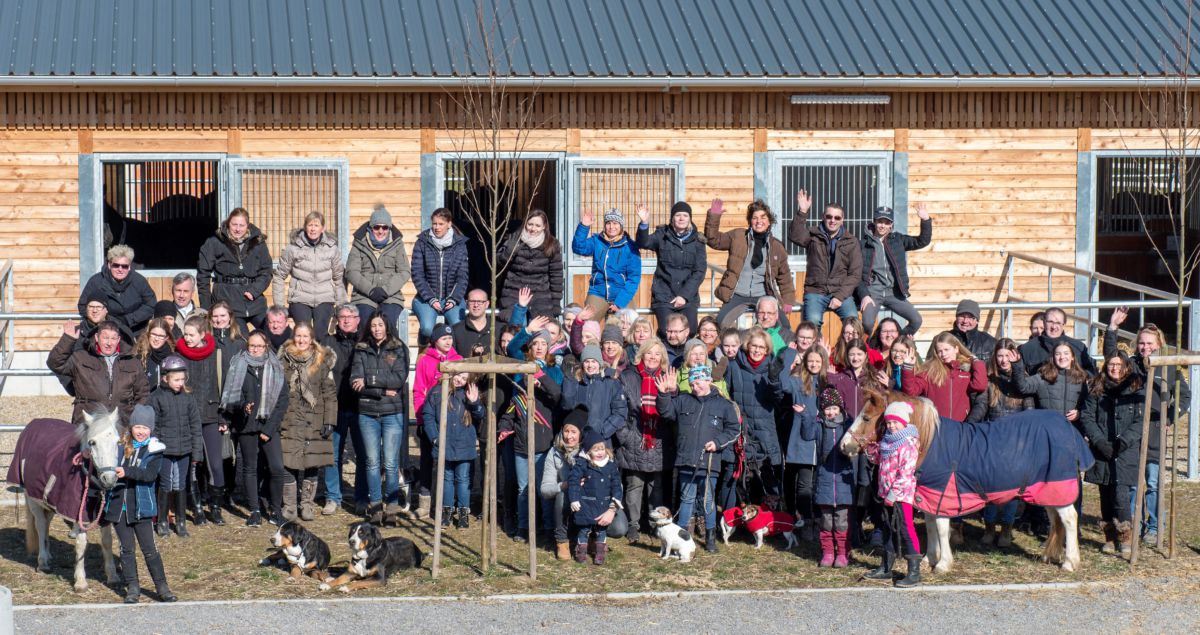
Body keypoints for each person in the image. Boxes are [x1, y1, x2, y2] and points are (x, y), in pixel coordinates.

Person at [1105, 307, 1188, 542]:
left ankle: (1153, 527)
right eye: (1141, 343)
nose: (1145, 347)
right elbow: (1111, 357)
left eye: (1150, 343)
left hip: (1155, 433)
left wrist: (1170, 417)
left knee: (1153, 482)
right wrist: (1112, 328)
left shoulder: (1169, 367)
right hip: (1131, 434)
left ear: (1159, 343)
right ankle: (1133, 525)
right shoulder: (1129, 365)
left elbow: (1185, 396)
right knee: (1131, 483)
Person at [655, 365, 741, 553]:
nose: (695, 387)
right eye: (692, 383)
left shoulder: (723, 404)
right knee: (686, 499)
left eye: (699, 382)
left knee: (708, 500)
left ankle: (710, 537)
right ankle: (682, 536)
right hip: (686, 459)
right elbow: (666, 412)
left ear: (709, 380)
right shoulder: (683, 400)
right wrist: (663, 395)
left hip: (710, 461)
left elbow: (734, 430)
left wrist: (717, 443)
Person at [106, 405, 176, 603]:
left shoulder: (154, 451)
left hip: (142, 508)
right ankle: (133, 589)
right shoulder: (119, 446)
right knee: (126, 550)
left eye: (145, 428)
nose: (141, 431)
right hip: (120, 508)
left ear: (151, 429)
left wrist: (126, 472)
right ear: (131, 427)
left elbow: (149, 475)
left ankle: (162, 588)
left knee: (149, 549)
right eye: (137, 427)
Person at [968, 338, 1033, 547]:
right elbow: (981, 407)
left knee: (1012, 490)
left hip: (1015, 444)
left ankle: (1006, 528)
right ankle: (989, 526)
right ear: (995, 358)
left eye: (1008, 356)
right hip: (993, 441)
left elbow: (1029, 412)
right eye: (1000, 356)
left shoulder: (1024, 381)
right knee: (989, 487)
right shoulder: (990, 382)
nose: (1004, 360)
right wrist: (968, 426)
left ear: (1014, 357)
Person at [221, 330, 289, 527]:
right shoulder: (238, 365)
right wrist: (243, 406)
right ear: (247, 346)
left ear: (266, 346)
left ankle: (275, 510)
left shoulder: (276, 366)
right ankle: (255, 511)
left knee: (276, 468)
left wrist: (269, 429)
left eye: (259, 346)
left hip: (269, 426)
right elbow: (232, 398)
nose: (256, 349)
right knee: (250, 468)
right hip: (246, 425)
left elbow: (282, 400)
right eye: (252, 346)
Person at [350, 310, 412, 525]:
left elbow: (398, 379)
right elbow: (355, 382)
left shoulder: (398, 348)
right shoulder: (361, 349)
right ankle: (376, 506)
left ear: (386, 326)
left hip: (392, 414)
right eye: (373, 325)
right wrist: (382, 390)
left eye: (380, 325)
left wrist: (370, 381)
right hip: (367, 413)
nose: (377, 329)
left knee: (391, 462)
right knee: (372, 462)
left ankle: (392, 508)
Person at [1080, 352, 1144, 557]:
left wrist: (1123, 442)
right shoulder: (1096, 388)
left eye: (1119, 365)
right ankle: (1109, 536)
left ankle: (1125, 536)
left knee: (1121, 495)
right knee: (1105, 494)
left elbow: (1139, 421)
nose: (1114, 368)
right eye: (1111, 364)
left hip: (1125, 451)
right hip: (1101, 450)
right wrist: (1099, 441)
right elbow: (1088, 416)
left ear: (1126, 367)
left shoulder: (1136, 389)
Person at [277, 322, 337, 522]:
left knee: (312, 463)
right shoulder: (283, 360)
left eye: (305, 336)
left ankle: (307, 505)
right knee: (288, 463)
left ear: (311, 339)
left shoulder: (322, 361)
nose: (301, 340)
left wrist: (329, 420)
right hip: (290, 417)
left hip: (314, 418)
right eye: (298, 336)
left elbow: (329, 394)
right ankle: (290, 506)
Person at [706, 198, 796, 328]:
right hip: (737, 294)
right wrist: (714, 216)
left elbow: (784, 277)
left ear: (769, 221)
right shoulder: (738, 236)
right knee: (720, 323)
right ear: (750, 221)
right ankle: (733, 347)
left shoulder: (777, 246)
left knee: (783, 326)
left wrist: (788, 300)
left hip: (763, 295)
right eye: (755, 218)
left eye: (763, 217)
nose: (759, 221)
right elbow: (714, 240)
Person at [861, 401, 923, 588]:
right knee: (887, 528)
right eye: (888, 422)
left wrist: (894, 494)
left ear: (904, 422)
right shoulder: (887, 441)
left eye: (895, 422)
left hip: (900, 495)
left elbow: (906, 472)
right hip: (885, 492)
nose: (891, 426)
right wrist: (873, 454)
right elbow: (883, 462)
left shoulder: (909, 443)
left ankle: (914, 572)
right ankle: (886, 566)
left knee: (905, 528)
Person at [616, 338, 671, 543]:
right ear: (641, 355)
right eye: (649, 353)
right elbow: (619, 410)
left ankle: (653, 523)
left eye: (657, 354)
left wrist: (668, 392)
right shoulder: (628, 376)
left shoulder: (667, 378)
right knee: (634, 485)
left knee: (656, 486)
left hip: (658, 439)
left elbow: (670, 414)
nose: (653, 357)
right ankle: (633, 525)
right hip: (634, 438)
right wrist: (627, 437)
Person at [723, 326, 786, 505]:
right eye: (754, 346)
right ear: (747, 346)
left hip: (765, 430)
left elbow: (779, 400)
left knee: (768, 474)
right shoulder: (734, 365)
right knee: (739, 475)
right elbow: (726, 395)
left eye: (761, 347)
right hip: (741, 429)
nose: (757, 350)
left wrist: (774, 381)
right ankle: (735, 517)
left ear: (767, 350)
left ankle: (770, 518)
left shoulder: (772, 368)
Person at [174, 315, 225, 527]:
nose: (186, 338)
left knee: (215, 463)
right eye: (185, 333)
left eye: (191, 334)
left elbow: (223, 385)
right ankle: (196, 507)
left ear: (202, 335)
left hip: (211, 414)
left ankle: (215, 506)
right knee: (193, 463)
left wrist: (223, 416)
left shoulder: (216, 354)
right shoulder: (178, 355)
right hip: (187, 417)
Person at [48, 320, 149, 425]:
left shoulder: (132, 362)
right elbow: (54, 363)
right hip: (88, 422)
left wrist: (135, 418)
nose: (109, 343)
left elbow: (143, 394)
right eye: (105, 337)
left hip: (121, 422)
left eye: (113, 338)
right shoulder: (81, 357)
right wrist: (68, 339)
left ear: (118, 340)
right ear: (97, 337)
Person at [147, 355, 202, 539]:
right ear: (165, 378)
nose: (180, 383)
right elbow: (153, 426)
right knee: (165, 484)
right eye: (176, 379)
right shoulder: (156, 397)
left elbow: (195, 425)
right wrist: (155, 446)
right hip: (165, 451)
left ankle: (180, 521)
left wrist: (196, 452)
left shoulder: (188, 398)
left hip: (184, 450)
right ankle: (162, 520)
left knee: (180, 484)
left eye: (182, 379)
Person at [856, 204, 932, 336]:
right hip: (873, 293)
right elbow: (856, 274)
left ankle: (896, 344)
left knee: (916, 320)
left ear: (891, 225)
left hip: (894, 293)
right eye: (880, 221)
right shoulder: (863, 244)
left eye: (887, 222)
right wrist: (864, 295)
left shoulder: (897, 240)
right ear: (874, 222)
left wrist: (925, 220)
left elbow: (922, 241)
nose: (883, 226)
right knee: (867, 324)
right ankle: (872, 349)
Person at [790, 191, 862, 330]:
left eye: (837, 217)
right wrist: (802, 212)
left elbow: (855, 274)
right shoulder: (813, 235)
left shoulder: (851, 241)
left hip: (841, 292)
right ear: (823, 217)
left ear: (842, 220)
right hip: (815, 291)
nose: (832, 220)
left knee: (854, 325)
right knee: (812, 323)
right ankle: (816, 352)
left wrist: (840, 297)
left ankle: (850, 352)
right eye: (829, 216)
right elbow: (795, 236)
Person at [636, 201, 707, 336]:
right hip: (664, 295)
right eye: (678, 215)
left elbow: (699, 271)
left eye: (685, 215)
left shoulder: (698, 240)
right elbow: (643, 242)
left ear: (690, 219)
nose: (681, 219)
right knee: (667, 332)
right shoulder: (662, 235)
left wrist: (684, 296)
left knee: (690, 331)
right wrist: (644, 223)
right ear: (672, 218)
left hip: (688, 297)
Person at [423, 372, 484, 530]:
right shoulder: (437, 392)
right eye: (458, 376)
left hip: (464, 444)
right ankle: (447, 511)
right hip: (445, 444)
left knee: (463, 479)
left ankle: (463, 512)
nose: (460, 380)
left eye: (464, 378)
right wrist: (435, 438)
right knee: (446, 478)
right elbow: (428, 416)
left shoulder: (469, 393)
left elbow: (480, 415)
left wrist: (475, 402)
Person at [320, 304, 365, 515]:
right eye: (342, 317)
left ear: (358, 319)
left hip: (359, 406)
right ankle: (332, 497)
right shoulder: (328, 342)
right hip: (334, 406)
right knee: (332, 455)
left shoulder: (365, 342)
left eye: (350, 316)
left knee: (363, 454)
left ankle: (361, 497)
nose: (346, 320)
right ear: (337, 320)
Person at [197, 208, 273, 332]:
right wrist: (206, 307)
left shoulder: (258, 242)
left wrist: (254, 291)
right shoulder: (214, 243)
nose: (238, 229)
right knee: (241, 339)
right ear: (228, 224)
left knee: (272, 331)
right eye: (234, 224)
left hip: (254, 301)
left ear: (247, 226)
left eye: (241, 225)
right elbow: (203, 275)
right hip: (228, 302)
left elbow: (266, 270)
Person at [272, 211, 345, 334]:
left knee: (320, 334)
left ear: (323, 228)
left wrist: (341, 306)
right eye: (310, 225)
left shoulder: (332, 249)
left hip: (324, 298)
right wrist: (279, 306)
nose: (313, 229)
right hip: (300, 298)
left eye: (316, 225)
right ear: (305, 227)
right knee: (303, 333)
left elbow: (339, 278)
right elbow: (279, 276)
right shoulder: (293, 248)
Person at [781, 348, 828, 540]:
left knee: (819, 484)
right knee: (805, 485)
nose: (814, 365)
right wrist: (790, 360)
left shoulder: (828, 382)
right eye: (811, 361)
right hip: (803, 441)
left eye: (818, 361)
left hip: (823, 439)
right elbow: (783, 384)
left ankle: (819, 520)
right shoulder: (798, 381)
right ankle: (805, 521)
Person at [809, 386, 856, 568]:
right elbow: (807, 434)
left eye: (834, 408)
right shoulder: (819, 425)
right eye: (827, 408)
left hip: (843, 481)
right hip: (825, 480)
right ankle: (828, 552)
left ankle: (843, 553)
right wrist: (804, 416)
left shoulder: (848, 426)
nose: (831, 412)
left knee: (842, 521)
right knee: (827, 521)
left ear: (841, 409)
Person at [346, 204, 411, 332]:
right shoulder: (359, 244)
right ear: (371, 228)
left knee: (387, 322)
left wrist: (386, 290)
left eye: (385, 227)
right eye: (376, 227)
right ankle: (365, 351)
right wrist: (370, 290)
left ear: (389, 229)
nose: (381, 231)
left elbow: (404, 271)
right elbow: (351, 272)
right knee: (365, 322)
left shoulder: (397, 244)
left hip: (390, 295)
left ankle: (391, 352)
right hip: (364, 295)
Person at [411, 208, 470, 346]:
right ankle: (425, 350)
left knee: (458, 328)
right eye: (434, 224)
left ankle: (454, 360)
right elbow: (417, 273)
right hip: (426, 298)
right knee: (426, 328)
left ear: (449, 224)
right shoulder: (422, 242)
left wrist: (454, 298)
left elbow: (463, 276)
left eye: (441, 224)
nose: (437, 227)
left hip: (451, 297)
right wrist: (430, 298)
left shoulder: (460, 245)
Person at [900, 332, 988, 423]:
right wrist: (907, 368)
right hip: (936, 425)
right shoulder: (929, 371)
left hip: (961, 425)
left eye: (947, 349)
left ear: (956, 349)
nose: (943, 354)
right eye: (940, 351)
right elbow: (910, 392)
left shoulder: (966, 371)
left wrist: (977, 362)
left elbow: (980, 385)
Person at [568, 428, 624, 565]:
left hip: (603, 505)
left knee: (601, 530)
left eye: (602, 449)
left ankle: (600, 552)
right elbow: (574, 482)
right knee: (584, 529)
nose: (600, 452)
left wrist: (614, 504)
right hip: (586, 504)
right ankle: (581, 551)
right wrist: (574, 499)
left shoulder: (611, 466)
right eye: (595, 450)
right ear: (588, 452)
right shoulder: (582, 464)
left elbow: (617, 485)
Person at [572, 208, 642, 318]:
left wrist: (619, 303)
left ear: (621, 226)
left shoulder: (630, 246)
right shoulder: (597, 241)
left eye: (615, 223)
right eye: (608, 223)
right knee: (587, 321)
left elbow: (634, 278)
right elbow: (578, 248)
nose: (611, 227)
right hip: (598, 292)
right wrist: (584, 226)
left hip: (621, 293)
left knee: (629, 321)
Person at [497, 208, 564, 321]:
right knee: (515, 328)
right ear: (525, 224)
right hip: (514, 294)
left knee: (541, 332)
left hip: (541, 296)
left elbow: (556, 275)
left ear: (544, 226)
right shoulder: (513, 239)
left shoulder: (552, 244)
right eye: (530, 224)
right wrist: (510, 250)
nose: (533, 229)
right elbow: (498, 263)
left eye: (537, 225)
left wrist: (556, 303)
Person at [208, 302, 245, 506]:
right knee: (221, 451)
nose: (219, 319)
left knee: (235, 448)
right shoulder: (208, 341)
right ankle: (219, 490)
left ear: (230, 317)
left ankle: (231, 490)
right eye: (215, 316)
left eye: (222, 316)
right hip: (215, 403)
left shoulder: (238, 343)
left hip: (236, 404)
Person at [77, 244, 157, 335]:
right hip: (102, 331)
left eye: (124, 266)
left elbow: (151, 305)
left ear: (130, 267)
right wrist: (103, 320)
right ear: (109, 265)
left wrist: (129, 319)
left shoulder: (139, 281)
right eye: (116, 265)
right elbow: (83, 305)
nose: (120, 269)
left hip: (134, 331)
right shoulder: (96, 282)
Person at [561, 343, 629, 441]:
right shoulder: (577, 382)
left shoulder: (611, 383)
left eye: (594, 361)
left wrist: (604, 431)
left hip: (600, 439)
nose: (590, 365)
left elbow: (620, 412)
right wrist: (569, 379)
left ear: (599, 363)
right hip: (578, 440)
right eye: (586, 361)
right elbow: (567, 406)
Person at [1014, 341, 1090, 427]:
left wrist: (1079, 413)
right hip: (1048, 429)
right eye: (1057, 354)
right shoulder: (1043, 376)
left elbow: (1087, 405)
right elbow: (1023, 386)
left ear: (1072, 357)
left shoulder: (1081, 378)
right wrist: (1017, 365)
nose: (1062, 357)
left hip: (1073, 430)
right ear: (1053, 357)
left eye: (1066, 353)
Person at [541, 413, 585, 560]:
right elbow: (545, 489)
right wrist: (563, 485)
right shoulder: (554, 453)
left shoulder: (591, 450)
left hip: (588, 497)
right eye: (566, 431)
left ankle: (592, 538)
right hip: (566, 499)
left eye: (574, 432)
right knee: (561, 494)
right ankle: (562, 541)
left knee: (619, 527)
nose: (569, 436)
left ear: (581, 434)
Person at [1017, 307, 1098, 375]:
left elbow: (1091, 371)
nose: (1054, 326)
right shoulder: (1027, 349)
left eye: (1058, 323)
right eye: (1050, 322)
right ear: (1044, 322)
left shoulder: (1078, 347)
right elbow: (1019, 377)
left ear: (1064, 325)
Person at [134, 318, 175, 392]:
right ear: (148, 334)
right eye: (153, 334)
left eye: (161, 336)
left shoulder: (172, 359)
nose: (156, 339)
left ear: (166, 337)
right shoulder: (138, 354)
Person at [453, 289, 493, 358]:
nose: (476, 305)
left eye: (480, 301)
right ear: (467, 303)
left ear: (487, 304)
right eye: (472, 301)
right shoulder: (455, 330)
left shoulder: (497, 328)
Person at [168, 272, 200, 339]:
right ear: (172, 291)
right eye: (178, 290)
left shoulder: (202, 314)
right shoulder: (164, 314)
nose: (181, 295)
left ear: (192, 293)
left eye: (186, 291)